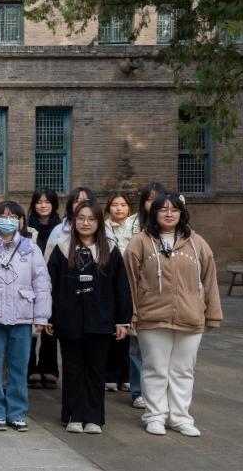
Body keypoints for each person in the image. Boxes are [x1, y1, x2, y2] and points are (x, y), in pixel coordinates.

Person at [125, 193, 222, 437]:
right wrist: (131, 313)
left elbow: (209, 279)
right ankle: (155, 416)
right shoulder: (140, 242)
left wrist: (212, 313)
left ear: (182, 213)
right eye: (163, 209)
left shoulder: (197, 243)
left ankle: (180, 417)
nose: (169, 214)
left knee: (183, 370)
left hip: (190, 316)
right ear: (153, 213)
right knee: (155, 368)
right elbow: (129, 281)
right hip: (151, 316)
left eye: (174, 209)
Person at [46, 201, 131, 434]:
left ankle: (93, 417)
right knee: (72, 368)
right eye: (81, 218)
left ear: (99, 222)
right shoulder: (62, 248)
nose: (85, 223)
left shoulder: (109, 249)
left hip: (101, 320)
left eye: (91, 219)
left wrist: (122, 320)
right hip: (69, 319)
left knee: (96, 369)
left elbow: (121, 287)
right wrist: (49, 317)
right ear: (74, 221)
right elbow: (50, 286)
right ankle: (73, 415)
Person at [0, 200, 51, 432]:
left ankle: (16, 411)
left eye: (13, 217)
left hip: (22, 315)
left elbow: (42, 283)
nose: (8, 220)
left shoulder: (30, 248)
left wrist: (41, 316)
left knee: (19, 366)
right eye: (3, 216)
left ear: (21, 221)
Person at [127, 182, 165, 410]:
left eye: (158, 198)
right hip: (140, 292)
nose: (154, 203)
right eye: (150, 199)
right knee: (137, 348)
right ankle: (138, 391)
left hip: (164, 295)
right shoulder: (133, 225)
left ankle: (160, 392)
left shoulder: (173, 227)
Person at [25, 188, 61, 390]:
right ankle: (30, 367)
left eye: (47, 202)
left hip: (55, 281)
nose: (43, 205)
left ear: (54, 204)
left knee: (50, 324)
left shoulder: (61, 228)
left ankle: (49, 367)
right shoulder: (27, 226)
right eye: (39, 202)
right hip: (32, 281)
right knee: (30, 326)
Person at [104, 191, 136, 392]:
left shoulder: (137, 228)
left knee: (128, 331)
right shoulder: (103, 228)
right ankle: (110, 374)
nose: (119, 208)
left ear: (129, 208)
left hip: (131, 282)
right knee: (110, 332)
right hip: (110, 282)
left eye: (123, 205)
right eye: (115, 204)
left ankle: (126, 375)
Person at [44, 187, 96, 261]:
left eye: (86, 201)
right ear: (70, 204)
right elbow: (48, 260)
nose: (82, 204)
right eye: (77, 201)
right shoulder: (58, 230)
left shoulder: (104, 230)